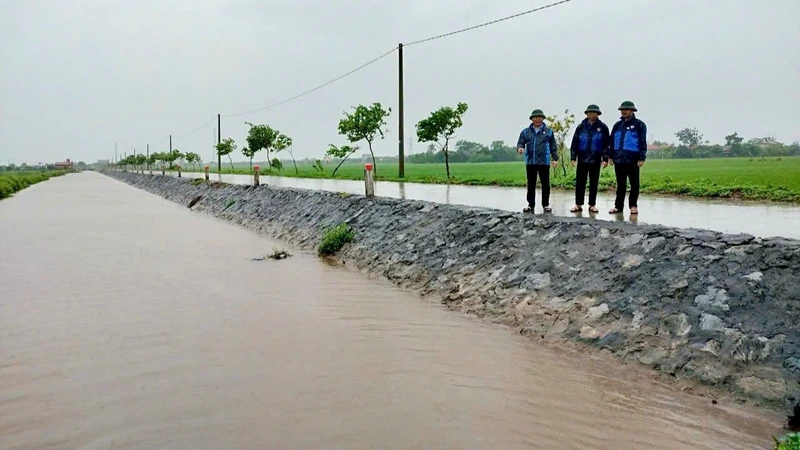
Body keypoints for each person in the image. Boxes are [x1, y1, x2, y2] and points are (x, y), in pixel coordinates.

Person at [569, 104, 610, 213]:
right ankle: (578, 204)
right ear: (586, 114)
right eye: (589, 113)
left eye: (594, 113)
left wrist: (605, 158)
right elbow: (575, 142)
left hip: (596, 158)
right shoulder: (581, 127)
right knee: (580, 182)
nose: (591, 115)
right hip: (582, 158)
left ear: (597, 114)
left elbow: (606, 144)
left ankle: (592, 204)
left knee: (594, 182)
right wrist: (573, 157)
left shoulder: (603, 127)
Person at [608, 100, 647, 214]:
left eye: (626, 110)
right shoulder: (617, 125)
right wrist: (611, 156)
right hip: (619, 158)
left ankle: (633, 206)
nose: (624, 112)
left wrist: (642, 157)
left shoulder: (639, 125)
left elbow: (642, 142)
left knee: (634, 184)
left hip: (633, 159)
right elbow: (612, 141)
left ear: (632, 111)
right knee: (620, 185)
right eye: (622, 110)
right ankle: (618, 206)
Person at [517, 109, 558, 213]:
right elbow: (521, 142)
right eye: (535, 117)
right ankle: (531, 205)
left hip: (544, 161)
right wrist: (520, 148)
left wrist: (555, 158)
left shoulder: (548, 131)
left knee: (545, 184)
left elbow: (553, 146)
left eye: (540, 117)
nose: (538, 119)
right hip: (531, 161)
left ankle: (545, 205)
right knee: (531, 184)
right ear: (532, 119)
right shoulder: (526, 131)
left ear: (543, 119)